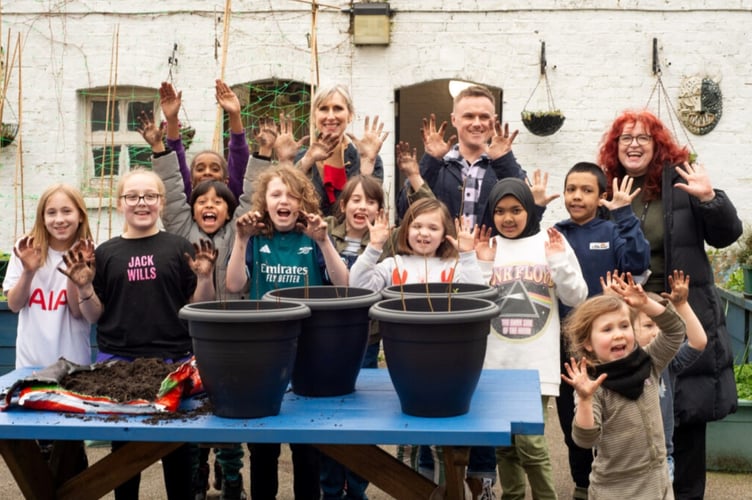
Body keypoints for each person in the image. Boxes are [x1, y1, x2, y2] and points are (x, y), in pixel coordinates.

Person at [597, 109, 742, 499]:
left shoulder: (681, 183)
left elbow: (728, 234)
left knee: (688, 410)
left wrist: (711, 198)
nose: (634, 144)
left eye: (643, 137)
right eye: (626, 137)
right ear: (615, 147)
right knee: (633, 412)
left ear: (658, 145)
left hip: (683, 307)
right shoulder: (606, 188)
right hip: (629, 316)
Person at [59, 168, 217, 500]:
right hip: (119, 367)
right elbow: (94, 315)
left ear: (161, 202)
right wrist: (84, 284)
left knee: (177, 455)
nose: (141, 203)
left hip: (174, 365)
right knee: (124, 459)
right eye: (132, 196)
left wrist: (204, 278)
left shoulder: (179, 248)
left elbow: (198, 310)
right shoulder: (105, 253)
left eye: (149, 196)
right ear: (120, 204)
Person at [136, 113, 251, 499]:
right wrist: (159, 149)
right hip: (191, 340)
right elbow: (171, 186)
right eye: (202, 199)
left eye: (219, 201)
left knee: (231, 410)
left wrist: (263, 154)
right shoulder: (182, 231)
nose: (210, 204)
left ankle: (231, 474)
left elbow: (250, 189)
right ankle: (197, 471)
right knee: (196, 408)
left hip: (234, 340)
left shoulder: (238, 231)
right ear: (191, 206)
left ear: (229, 209)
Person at [226, 164, 348, 500]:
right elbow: (234, 284)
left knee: (306, 449)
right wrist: (240, 238)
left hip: (308, 352)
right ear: (264, 202)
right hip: (262, 351)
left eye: (292, 195)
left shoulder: (313, 238)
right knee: (263, 448)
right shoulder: (255, 239)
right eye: (276, 194)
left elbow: (343, 284)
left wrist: (324, 242)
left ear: (303, 202)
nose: (285, 201)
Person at [476, 176, 588, 500]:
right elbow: (473, 303)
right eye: (499, 211)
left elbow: (577, 296)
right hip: (494, 362)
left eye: (516, 209)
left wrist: (557, 262)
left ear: (528, 208)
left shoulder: (551, 242)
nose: (508, 218)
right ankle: (512, 495)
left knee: (531, 443)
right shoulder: (488, 245)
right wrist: (482, 264)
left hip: (535, 364)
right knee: (505, 446)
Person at [553, 162, 651, 499]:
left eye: (586, 190)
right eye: (571, 189)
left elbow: (638, 263)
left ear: (601, 197)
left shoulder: (611, 232)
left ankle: (616, 481)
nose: (576, 196)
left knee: (615, 417)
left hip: (610, 346)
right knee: (573, 419)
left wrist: (624, 216)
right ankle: (582, 483)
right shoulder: (556, 233)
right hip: (569, 346)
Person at [561, 272, 685, 499]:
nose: (618, 334)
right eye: (607, 329)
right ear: (588, 343)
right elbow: (585, 439)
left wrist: (646, 304)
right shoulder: (592, 385)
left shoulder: (648, 361)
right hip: (616, 489)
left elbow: (676, 331)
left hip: (658, 483)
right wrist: (586, 400)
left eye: (624, 325)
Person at [2, 183, 94, 471]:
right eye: (51, 212)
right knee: (38, 453)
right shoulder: (25, 250)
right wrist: (29, 271)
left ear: (80, 215)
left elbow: (79, 313)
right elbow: (15, 304)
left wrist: (74, 274)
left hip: (73, 367)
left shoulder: (91, 253)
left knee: (70, 450)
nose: (59, 219)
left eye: (66, 211)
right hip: (32, 365)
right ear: (42, 218)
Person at [319, 173, 385, 500]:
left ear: (380, 210)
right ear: (342, 206)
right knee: (331, 415)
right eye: (355, 200)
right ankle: (331, 489)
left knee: (363, 416)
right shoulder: (327, 232)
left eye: (371, 201)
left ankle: (357, 488)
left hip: (367, 341)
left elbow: (425, 215)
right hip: (327, 339)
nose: (362, 207)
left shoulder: (387, 240)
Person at [396, 84, 527, 226]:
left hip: (490, 248)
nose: (477, 123)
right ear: (454, 120)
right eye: (469, 116)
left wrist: (504, 162)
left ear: (494, 120)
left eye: (484, 117)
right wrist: (431, 161)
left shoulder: (503, 165)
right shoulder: (437, 164)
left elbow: (530, 211)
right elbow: (404, 210)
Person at [633, 270, 707, 484]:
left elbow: (698, 342)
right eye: (648, 325)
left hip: (661, 459)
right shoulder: (619, 362)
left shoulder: (667, 362)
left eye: (661, 327)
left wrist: (682, 305)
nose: (656, 333)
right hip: (622, 462)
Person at [294, 83, 387, 216]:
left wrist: (367, 166)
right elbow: (286, 197)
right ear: (314, 116)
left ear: (350, 115)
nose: (331, 116)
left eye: (338, 109)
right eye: (324, 109)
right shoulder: (300, 159)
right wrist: (306, 162)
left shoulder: (370, 159)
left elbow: (369, 210)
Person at [159, 79, 251, 201]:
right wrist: (172, 120)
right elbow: (176, 166)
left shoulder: (234, 203)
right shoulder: (184, 207)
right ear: (190, 180)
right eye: (200, 169)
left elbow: (239, 162)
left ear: (226, 180)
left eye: (215, 169)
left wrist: (235, 115)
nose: (207, 172)